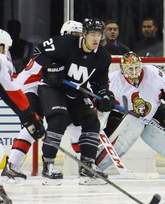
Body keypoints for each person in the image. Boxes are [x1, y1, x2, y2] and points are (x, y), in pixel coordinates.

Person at [1, 20, 85, 184]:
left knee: (74, 121)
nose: (78, 39)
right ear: (66, 35)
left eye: (79, 36)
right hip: (30, 88)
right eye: (74, 35)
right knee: (33, 123)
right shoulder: (58, 50)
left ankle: (86, 164)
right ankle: (12, 165)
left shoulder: (71, 52)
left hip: (45, 89)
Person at [33, 17, 115, 186]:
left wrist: (105, 95)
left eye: (99, 35)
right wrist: (52, 67)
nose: (96, 38)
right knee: (59, 118)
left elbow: (99, 83)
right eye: (92, 34)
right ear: (84, 34)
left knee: (92, 121)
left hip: (75, 91)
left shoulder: (103, 57)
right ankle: (48, 165)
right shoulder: (65, 43)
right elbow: (37, 52)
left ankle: (87, 167)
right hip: (52, 88)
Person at [0, 29, 45, 202]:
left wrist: (27, 117)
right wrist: (29, 117)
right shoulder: (1, 60)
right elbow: (12, 92)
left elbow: (6, 93)